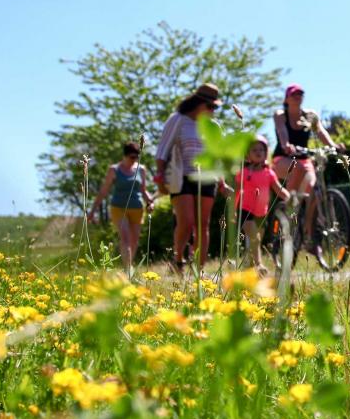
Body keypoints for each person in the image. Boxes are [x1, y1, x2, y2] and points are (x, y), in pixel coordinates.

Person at [154, 83, 231, 271]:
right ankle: (178, 259)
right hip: (182, 177)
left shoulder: (214, 128)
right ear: (198, 103)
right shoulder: (178, 120)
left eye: (215, 107)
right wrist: (160, 175)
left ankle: (199, 270)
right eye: (210, 106)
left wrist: (222, 182)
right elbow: (163, 150)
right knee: (186, 222)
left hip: (207, 178)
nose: (212, 111)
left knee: (202, 225)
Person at [272, 84, 345, 248]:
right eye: (293, 94)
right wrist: (286, 144)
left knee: (315, 191)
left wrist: (333, 146)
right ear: (286, 99)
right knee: (297, 167)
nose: (297, 97)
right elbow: (282, 131)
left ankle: (308, 235)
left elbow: (320, 131)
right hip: (282, 159)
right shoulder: (280, 115)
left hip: (304, 160)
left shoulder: (310, 115)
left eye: (300, 94)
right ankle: (289, 208)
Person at [87, 141, 153, 271]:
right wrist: (92, 211)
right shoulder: (114, 170)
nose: (134, 160)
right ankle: (128, 268)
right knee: (125, 237)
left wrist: (150, 201)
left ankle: (129, 265)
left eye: (136, 157)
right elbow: (103, 191)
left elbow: (143, 190)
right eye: (132, 157)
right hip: (118, 208)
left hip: (137, 208)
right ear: (125, 156)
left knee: (134, 241)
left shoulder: (141, 169)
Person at [235, 135, 290, 275]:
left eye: (261, 149)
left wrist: (290, 198)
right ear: (248, 154)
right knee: (255, 237)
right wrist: (232, 211)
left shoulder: (269, 173)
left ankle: (249, 267)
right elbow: (236, 191)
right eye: (254, 150)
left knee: (255, 242)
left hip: (262, 213)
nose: (258, 152)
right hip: (245, 210)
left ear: (266, 153)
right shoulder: (244, 172)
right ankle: (259, 265)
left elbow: (279, 190)